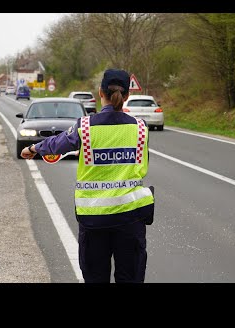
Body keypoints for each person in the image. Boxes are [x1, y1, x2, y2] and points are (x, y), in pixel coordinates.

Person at [21, 68, 155, 283]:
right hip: (131, 218)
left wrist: (34, 148)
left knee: (95, 278)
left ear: (100, 93)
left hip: (94, 220)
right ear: (127, 96)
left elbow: (57, 144)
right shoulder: (141, 128)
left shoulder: (85, 126)